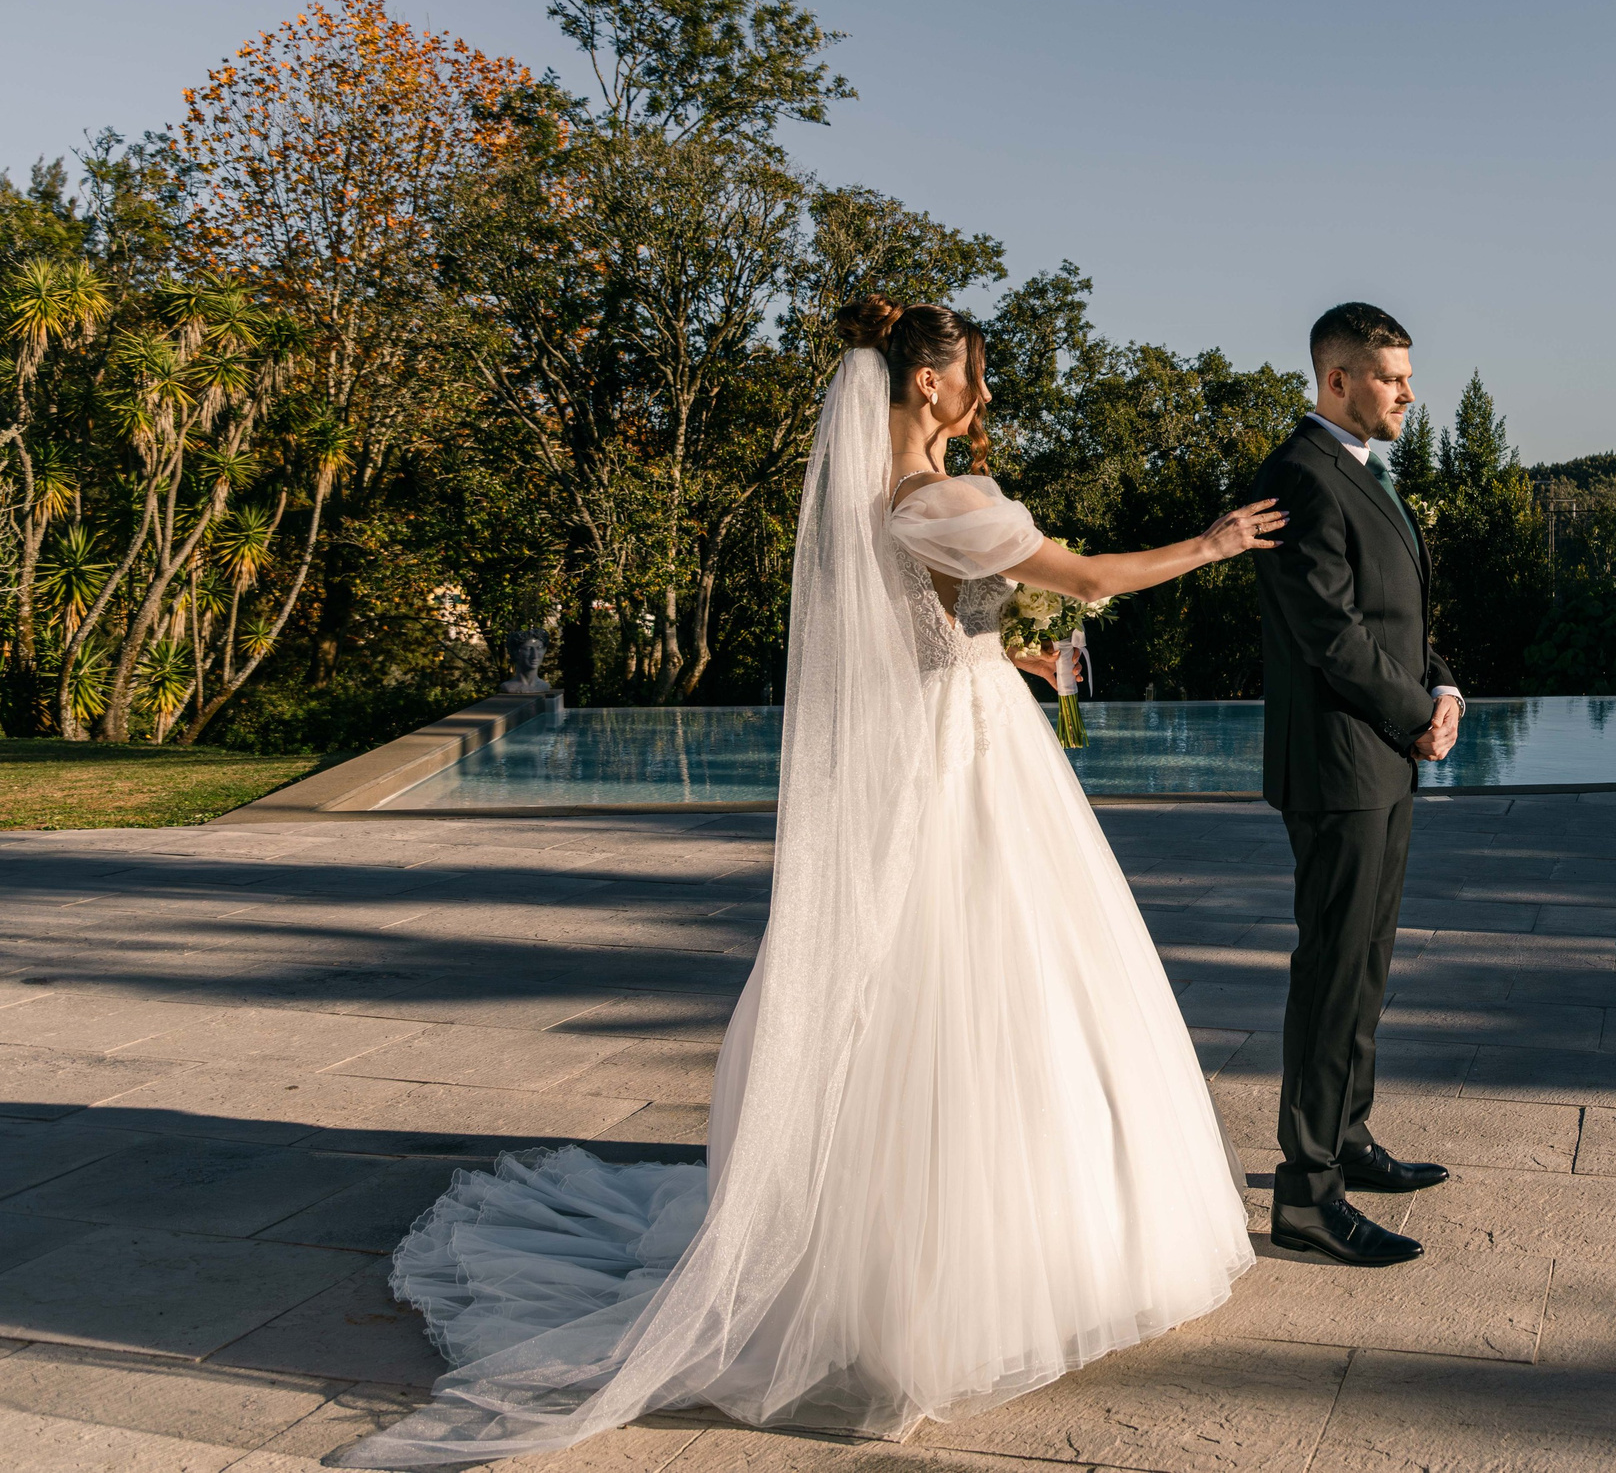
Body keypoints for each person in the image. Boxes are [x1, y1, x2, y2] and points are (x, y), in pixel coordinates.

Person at [342, 298, 1282, 1466]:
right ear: (927, 385)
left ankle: (914, 1245)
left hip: (961, 735)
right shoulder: (944, 497)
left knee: (940, 982)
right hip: (974, 766)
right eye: (971, 374)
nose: (981, 392)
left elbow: (935, 631)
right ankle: (980, 1273)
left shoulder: (882, 504)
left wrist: (1021, 652)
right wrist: (1214, 542)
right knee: (997, 984)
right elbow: (1087, 573)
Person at [1246, 302, 1462, 1267]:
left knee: (1367, 961)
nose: (1410, 393)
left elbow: (1395, 615)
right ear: (1337, 381)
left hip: (1382, 755)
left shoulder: (1360, 472)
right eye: (1391, 378)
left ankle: (1350, 1137)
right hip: (1338, 760)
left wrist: (1443, 685)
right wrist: (1416, 712)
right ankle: (1306, 1191)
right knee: (1332, 970)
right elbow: (1331, 634)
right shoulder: (1297, 476)